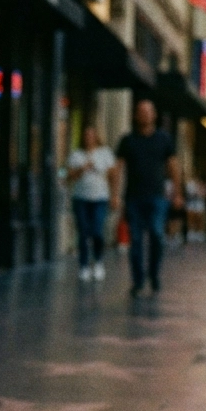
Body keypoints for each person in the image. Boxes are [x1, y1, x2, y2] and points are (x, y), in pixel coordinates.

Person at [116, 100, 180, 296]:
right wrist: (114, 195)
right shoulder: (128, 140)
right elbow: (118, 168)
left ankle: (154, 273)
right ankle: (138, 280)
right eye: (141, 112)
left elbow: (173, 167)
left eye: (148, 112)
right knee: (135, 240)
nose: (144, 115)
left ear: (154, 115)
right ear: (136, 116)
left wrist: (177, 193)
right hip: (133, 197)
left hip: (157, 197)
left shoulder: (164, 139)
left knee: (156, 235)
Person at [67, 126, 118, 281]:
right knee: (83, 232)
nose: (88, 138)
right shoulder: (76, 155)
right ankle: (83, 265)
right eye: (86, 135)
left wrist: (114, 195)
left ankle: (98, 261)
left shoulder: (105, 153)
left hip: (100, 198)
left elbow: (113, 174)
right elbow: (69, 176)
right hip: (81, 197)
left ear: (96, 137)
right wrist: (82, 168)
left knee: (97, 230)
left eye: (91, 135)